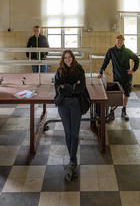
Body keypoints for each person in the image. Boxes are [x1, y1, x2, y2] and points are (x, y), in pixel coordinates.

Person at [54, 50, 86, 181]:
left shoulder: (79, 70)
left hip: (76, 104)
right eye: (65, 58)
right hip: (63, 105)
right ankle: (73, 160)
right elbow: (57, 88)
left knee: (75, 133)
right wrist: (72, 87)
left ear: (73, 58)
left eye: (69, 57)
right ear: (62, 59)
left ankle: (72, 161)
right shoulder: (59, 71)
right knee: (67, 132)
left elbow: (80, 88)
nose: (67, 60)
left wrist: (65, 86)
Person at [98, 34, 140, 122]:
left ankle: (124, 111)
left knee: (126, 93)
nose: (119, 42)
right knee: (114, 95)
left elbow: (136, 59)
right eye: (118, 41)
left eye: (121, 41)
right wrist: (101, 71)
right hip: (116, 77)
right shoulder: (111, 51)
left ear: (123, 41)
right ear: (115, 41)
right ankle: (112, 113)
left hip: (127, 77)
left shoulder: (127, 51)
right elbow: (105, 61)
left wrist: (133, 70)